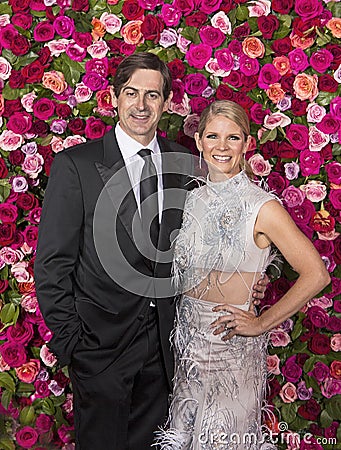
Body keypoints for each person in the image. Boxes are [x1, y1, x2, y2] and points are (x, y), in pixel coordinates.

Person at [34, 54, 268, 450]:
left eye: (152, 95)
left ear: (166, 102)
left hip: (167, 350)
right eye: (131, 93)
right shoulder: (77, 165)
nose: (141, 105)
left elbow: (223, 237)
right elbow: (52, 264)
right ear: (114, 98)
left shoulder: (186, 164)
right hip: (100, 349)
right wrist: (74, 344)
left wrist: (254, 280)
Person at [155, 100, 330, 450]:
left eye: (232, 137)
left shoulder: (262, 206)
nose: (222, 146)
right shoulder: (190, 199)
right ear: (200, 141)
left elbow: (316, 274)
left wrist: (261, 323)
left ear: (247, 144)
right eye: (213, 136)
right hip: (187, 350)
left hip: (231, 354)